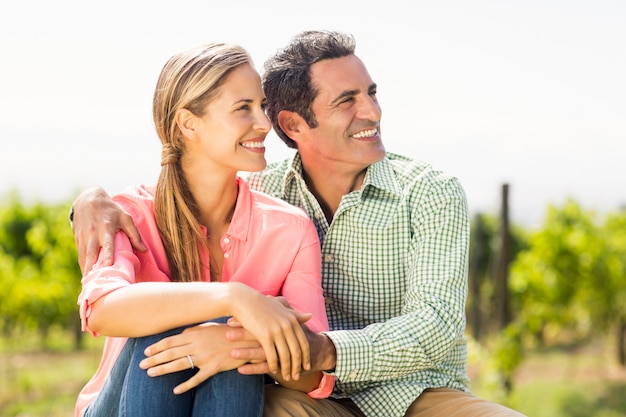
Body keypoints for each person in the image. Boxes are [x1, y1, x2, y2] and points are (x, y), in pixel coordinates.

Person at [71, 31, 526, 417]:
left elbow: (435, 326)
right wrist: (88, 202)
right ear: (294, 123)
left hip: (408, 394)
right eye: (347, 100)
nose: (372, 111)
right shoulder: (255, 188)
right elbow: (109, 297)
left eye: (371, 93)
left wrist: (276, 343)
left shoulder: (425, 192)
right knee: (182, 324)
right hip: (287, 391)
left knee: (231, 344)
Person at [72, 42, 333, 417]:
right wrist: (235, 299)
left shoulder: (289, 229)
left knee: (232, 349)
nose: (264, 123)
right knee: (168, 321)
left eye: (261, 106)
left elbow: (313, 372)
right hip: (118, 405)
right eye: (243, 108)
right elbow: (103, 310)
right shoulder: (131, 214)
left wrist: (235, 341)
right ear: (188, 123)